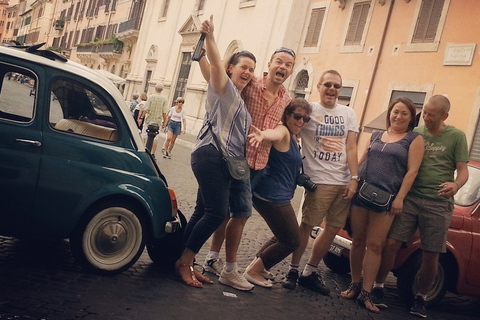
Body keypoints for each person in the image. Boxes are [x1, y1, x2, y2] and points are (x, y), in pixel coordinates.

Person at [199, 46, 296, 281]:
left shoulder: (287, 99)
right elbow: (217, 78)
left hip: (259, 164)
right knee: (227, 213)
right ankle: (218, 262)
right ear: (270, 63)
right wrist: (205, 55)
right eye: (279, 62)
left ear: (292, 70)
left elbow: (286, 127)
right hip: (234, 157)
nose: (282, 67)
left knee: (233, 213)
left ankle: (214, 260)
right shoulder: (251, 81)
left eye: (288, 65)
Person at [174, 15, 256, 289]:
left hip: (218, 159)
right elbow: (216, 67)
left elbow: (211, 68)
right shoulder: (224, 89)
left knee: (202, 211)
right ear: (231, 68)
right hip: (212, 155)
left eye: (252, 69)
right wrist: (209, 36)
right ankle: (184, 262)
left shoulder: (238, 100)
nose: (249, 72)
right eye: (244, 67)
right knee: (218, 213)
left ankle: (180, 258)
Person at [372, 94, 469, 318]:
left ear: (445, 115)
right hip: (411, 198)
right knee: (392, 242)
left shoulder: (456, 136)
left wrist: (456, 184)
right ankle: (378, 286)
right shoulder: (416, 134)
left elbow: (463, 170)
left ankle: (422, 297)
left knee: (431, 253)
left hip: (438, 203)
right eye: (424, 113)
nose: (425, 118)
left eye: (431, 116)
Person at [339, 98, 424, 313]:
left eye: (404, 113)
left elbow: (412, 171)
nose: (398, 116)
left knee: (376, 246)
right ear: (390, 113)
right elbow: (361, 161)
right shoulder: (376, 135)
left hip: (386, 200)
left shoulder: (414, 139)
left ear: (411, 117)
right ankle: (354, 285)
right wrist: (353, 180)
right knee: (357, 241)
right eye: (395, 112)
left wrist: (400, 198)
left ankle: (367, 293)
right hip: (362, 194)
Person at [282, 70, 359, 295]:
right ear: (319, 86)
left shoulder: (349, 113)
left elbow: (352, 147)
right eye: (328, 84)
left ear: (341, 90)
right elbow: (290, 127)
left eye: (336, 86)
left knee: (332, 229)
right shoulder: (310, 110)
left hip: (343, 182)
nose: (332, 89)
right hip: (319, 180)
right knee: (306, 225)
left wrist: (354, 178)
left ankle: (309, 271)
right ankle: (293, 270)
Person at [243, 98, 311, 287]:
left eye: (306, 119)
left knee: (282, 234)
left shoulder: (295, 137)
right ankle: (253, 271)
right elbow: (274, 133)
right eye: (297, 116)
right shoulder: (284, 132)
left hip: (276, 194)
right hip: (271, 196)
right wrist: (263, 135)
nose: (301, 121)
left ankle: (258, 265)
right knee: (292, 240)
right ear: (287, 115)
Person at [141, 83, 168, 157]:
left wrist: (141, 117)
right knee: (156, 137)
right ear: (162, 90)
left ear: (155, 88)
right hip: (157, 121)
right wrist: (165, 123)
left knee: (144, 134)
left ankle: (143, 149)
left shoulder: (151, 97)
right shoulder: (164, 99)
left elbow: (146, 109)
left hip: (149, 119)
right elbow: (164, 112)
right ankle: (153, 153)